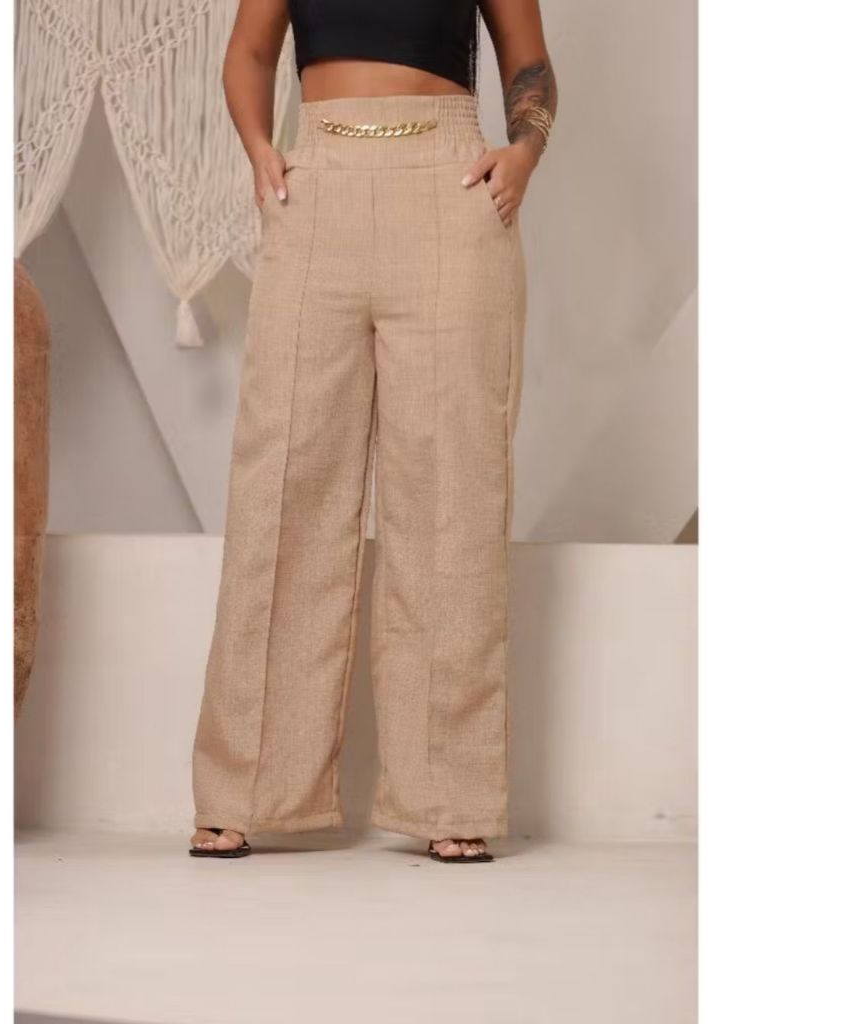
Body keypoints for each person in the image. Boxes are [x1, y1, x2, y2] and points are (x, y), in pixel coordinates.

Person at [190, 0, 557, 863]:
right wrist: (260, 149)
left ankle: (450, 795)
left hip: (451, 189)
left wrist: (523, 152)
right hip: (317, 184)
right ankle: (244, 788)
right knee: (283, 483)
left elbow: (531, 67)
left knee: (451, 494)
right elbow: (248, 53)